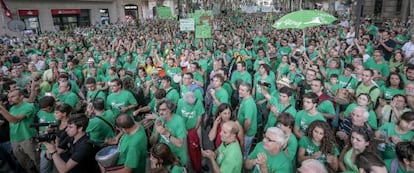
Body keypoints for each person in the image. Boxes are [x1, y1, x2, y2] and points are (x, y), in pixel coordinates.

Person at [0, 89, 39, 173]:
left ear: (21, 97)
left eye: (13, 96)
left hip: (28, 138)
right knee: (25, 164)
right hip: (14, 140)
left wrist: (1, 109)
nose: (10, 99)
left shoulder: (28, 106)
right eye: (9, 97)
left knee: (37, 161)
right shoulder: (12, 108)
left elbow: (15, 120)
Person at [149, 99, 188, 166]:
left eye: (163, 110)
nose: (160, 112)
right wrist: (157, 132)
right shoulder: (159, 120)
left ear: (170, 109)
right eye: (159, 110)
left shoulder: (179, 121)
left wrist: (167, 134)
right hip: (164, 156)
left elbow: (180, 144)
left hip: (176, 156)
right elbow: (152, 142)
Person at [237, 81, 257, 158]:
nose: (240, 91)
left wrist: (243, 132)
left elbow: (248, 122)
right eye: (239, 89)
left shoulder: (248, 103)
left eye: (242, 90)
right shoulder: (245, 99)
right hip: (246, 131)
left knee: (243, 151)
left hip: (247, 133)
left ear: (248, 92)